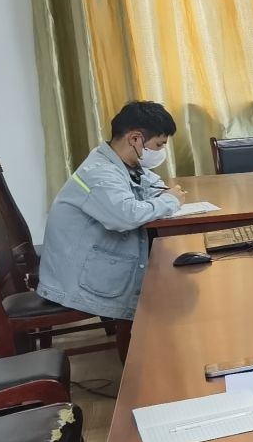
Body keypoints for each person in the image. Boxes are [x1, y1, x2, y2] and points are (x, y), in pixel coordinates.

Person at [36, 100, 185, 327]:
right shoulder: (99, 173)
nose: (160, 152)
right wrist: (169, 201)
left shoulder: (117, 161)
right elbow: (127, 216)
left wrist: (163, 196)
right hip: (76, 280)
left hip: (96, 261)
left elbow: (149, 184)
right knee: (171, 290)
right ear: (135, 139)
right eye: (158, 145)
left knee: (171, 276)